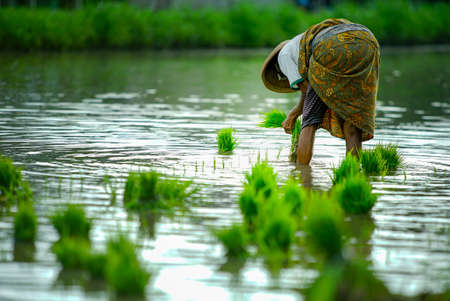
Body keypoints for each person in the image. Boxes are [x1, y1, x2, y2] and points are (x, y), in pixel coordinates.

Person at [261, 18, 380, 165]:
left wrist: (293, 114)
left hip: (330, 47)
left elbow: (306, 89)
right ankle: (353, 173)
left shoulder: (283, 56)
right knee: (352, 119)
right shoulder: (303, 42)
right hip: (367, 40)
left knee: (310, 120)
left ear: (276, 68)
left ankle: (302, 176)